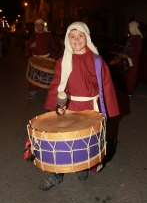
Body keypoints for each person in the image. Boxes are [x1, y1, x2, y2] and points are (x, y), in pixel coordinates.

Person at [39, 21, 120, 191]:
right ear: (67, 40)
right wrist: (57, 106)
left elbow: (106, 86)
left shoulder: (97, 60)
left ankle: (82, 166)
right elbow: (57, 85)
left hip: (91, 107)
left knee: (84, 140)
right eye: (72, 36)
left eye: (80, 35)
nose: (76, 40)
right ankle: (57, 173)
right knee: (62, 140)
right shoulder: (63, 61)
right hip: (70, 106)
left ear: (87, 37)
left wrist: (107, 111)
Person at [26, 18, 59, 99]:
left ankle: (52, 93)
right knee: (34, 77)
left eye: (40, 24)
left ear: (42, 26)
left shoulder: (48, 35)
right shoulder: (33, 36)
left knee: (48, 77)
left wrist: (56, 57)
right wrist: (31, 45)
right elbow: (27, 47)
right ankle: (32, 92)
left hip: (46, 59)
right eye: (36, 25)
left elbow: (54, 46)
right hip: (35, 59)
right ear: (35, 26)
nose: (38, 26)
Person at [118, 21, 143, 96]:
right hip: (127, 58)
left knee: (131, 74)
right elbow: (127, 47)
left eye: (130, 27)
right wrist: (122, 54)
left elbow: (138, 50)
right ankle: (126, 88)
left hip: (132, 59)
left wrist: (128, 55)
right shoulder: (130, 37)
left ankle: (130, 89)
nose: (129, 28)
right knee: (125, 73)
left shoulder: (138, 37)